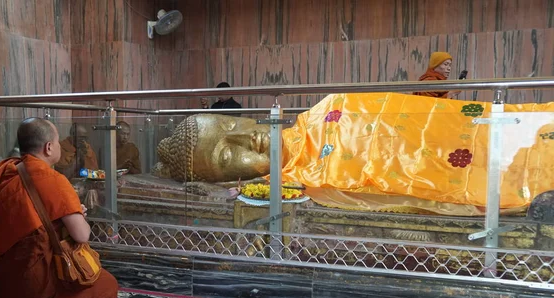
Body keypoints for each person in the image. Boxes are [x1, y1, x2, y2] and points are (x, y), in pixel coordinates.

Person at [154, 92, 554, 215]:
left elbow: (425, 116)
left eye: (229, 128)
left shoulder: (329, 106)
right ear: (232, 181)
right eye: (227, 157)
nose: (246, 140)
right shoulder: (316, 184)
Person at [0, 117, 118, 298]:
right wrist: (79, 216)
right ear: (49, 147)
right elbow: (82, 235)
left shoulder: (3, 173)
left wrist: (67, 214)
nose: (59, 146)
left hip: (1, 282)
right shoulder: (54, 180)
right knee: (108, 287)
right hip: (37, 281)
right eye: (57, 142)